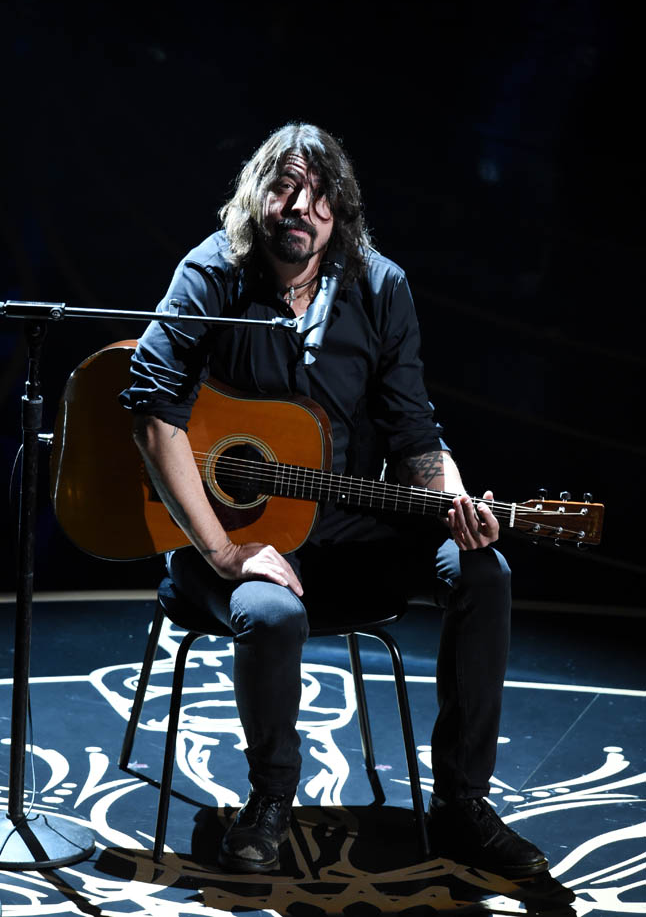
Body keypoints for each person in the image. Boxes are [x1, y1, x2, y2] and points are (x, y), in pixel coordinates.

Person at [120, 122, 548, 877]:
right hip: (222, 537)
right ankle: (270, 799)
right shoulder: (210, 274)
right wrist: (225, 550)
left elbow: (413, 432)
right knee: (270, 612)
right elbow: (152, 410)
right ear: (257, 195)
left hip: (349, 535)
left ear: (340, 209)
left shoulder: (379, 287)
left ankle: (461, 804)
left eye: (319, 194)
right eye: (285, 187)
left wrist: (453, 500)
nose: (301, 207)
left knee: (483, 572)